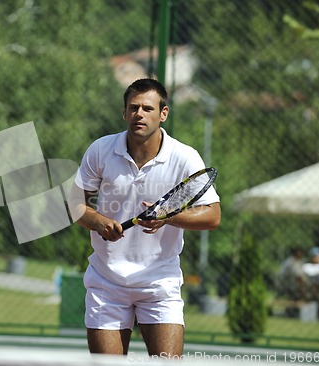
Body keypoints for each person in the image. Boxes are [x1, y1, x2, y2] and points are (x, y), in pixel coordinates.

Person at [73, 78, 221, 357]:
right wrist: (98, 221)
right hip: (106, 283)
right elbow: (74, 206)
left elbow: (213, 216)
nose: (139, 114)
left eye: (147, 108)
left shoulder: (185, 157)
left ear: (163, 114)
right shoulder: (100, 150)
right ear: (125, 113)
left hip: (160, 282)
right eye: (133, 108)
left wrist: (168, 217)